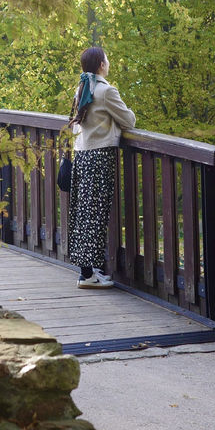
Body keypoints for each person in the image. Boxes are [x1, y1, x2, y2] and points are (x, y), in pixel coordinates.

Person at [68, 46, 136, 289]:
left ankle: (87, 271)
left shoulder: (82, 87)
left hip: (83, 155)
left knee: (84, 213)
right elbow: (129, 120)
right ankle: (87, 276)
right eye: (107, 59)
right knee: (95, 214)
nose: (108, 62)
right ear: (101, 65)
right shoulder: (106, 91)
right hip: (100, 156)